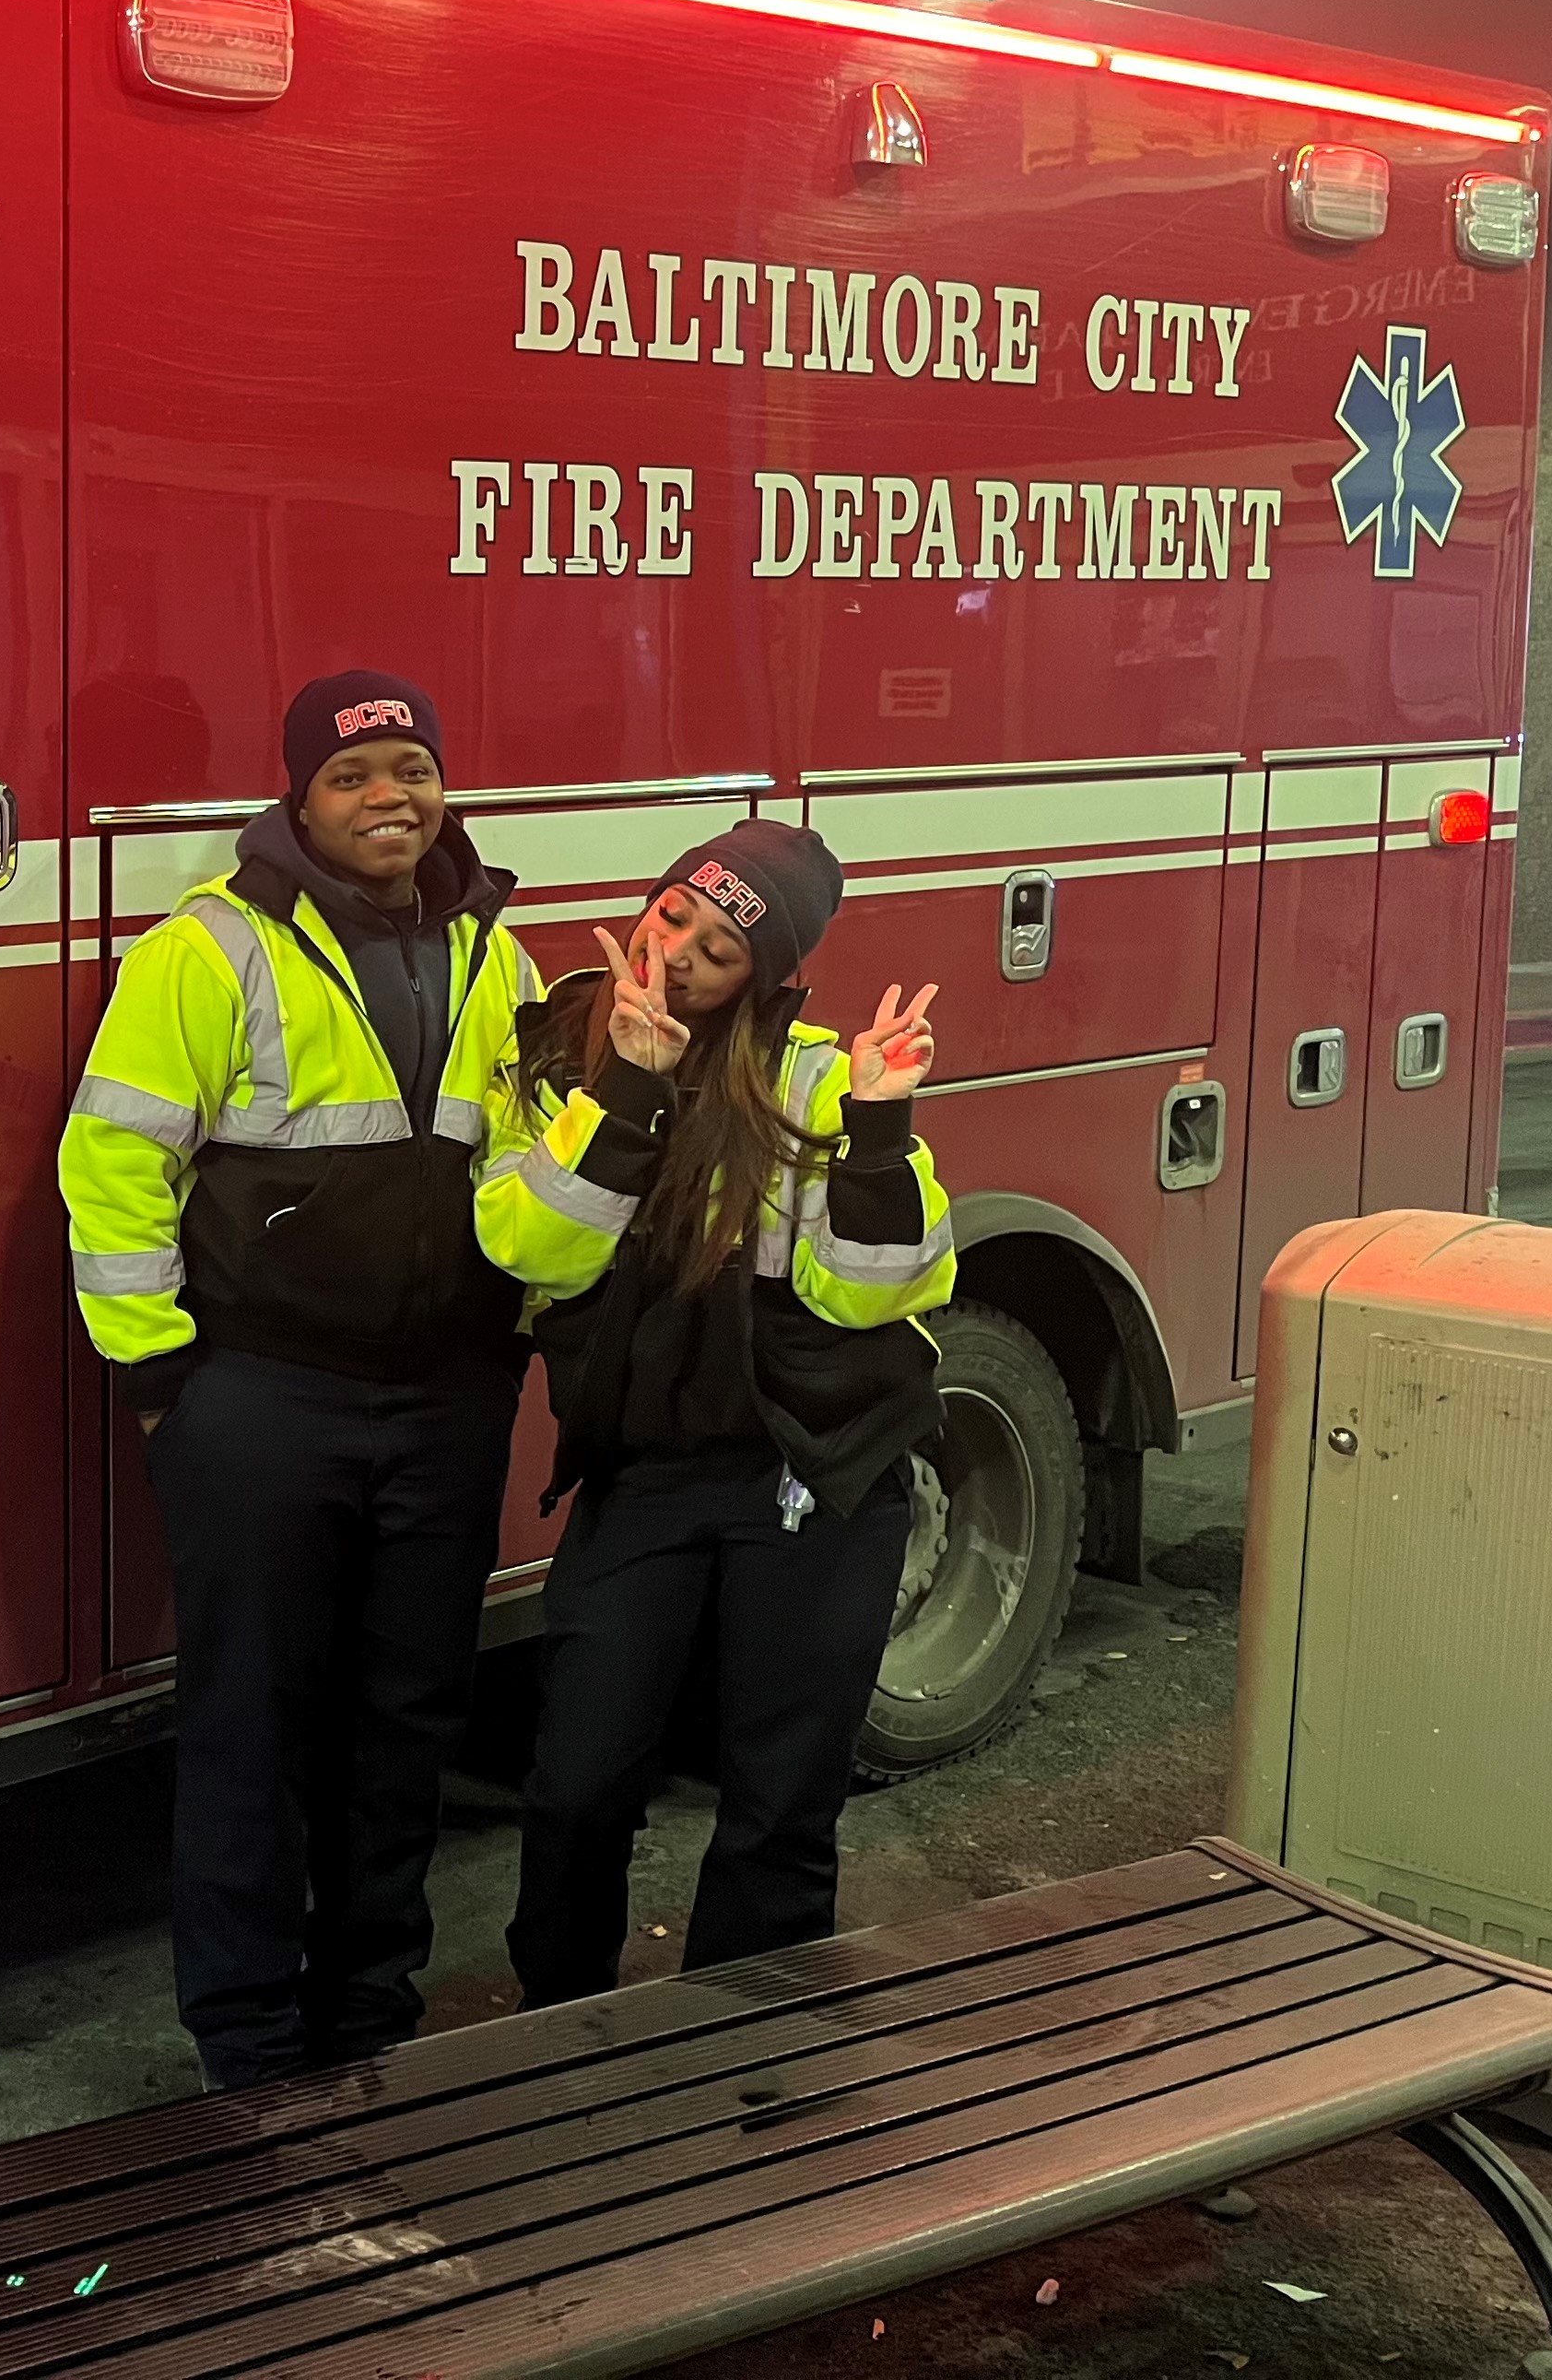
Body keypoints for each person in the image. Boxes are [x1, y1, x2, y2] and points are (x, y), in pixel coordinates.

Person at [60, 670, 540, 2088]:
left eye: (412, 767)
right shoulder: (206, 950)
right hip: (262, 1399)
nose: (390, 795)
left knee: (405, 1726)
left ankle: (369, 2018)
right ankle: (252, 2042)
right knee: (250, 1729)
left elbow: (527, 1164)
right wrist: (164, 1384)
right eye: (354, 776)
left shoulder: (494, 951)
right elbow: (114, 1166)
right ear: (299, 799)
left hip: (448, 1399)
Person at [475, 823, 951, 2008]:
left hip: (818, 1471)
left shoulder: (817, 1079)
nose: (677, 951)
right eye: (676, 913)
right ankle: (559, 2028)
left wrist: (881, 1126)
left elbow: (882, 1291)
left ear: (768, 976)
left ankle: (742, 2051)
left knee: (781, 1797)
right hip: (648, 1471)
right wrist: (627, 1089)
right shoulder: (557, 1054)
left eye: (722, 947)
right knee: (578, 1781)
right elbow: (526, 1249)